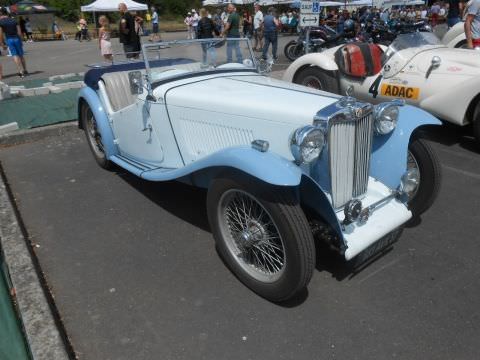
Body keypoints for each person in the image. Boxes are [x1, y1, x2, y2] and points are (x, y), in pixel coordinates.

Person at [0, 7, 28, 77]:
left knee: (15, 55)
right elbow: (19, 32)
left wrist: (2, 44)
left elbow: (0, 34)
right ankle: (25, 70)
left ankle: (20, 71)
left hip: (9, 39)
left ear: (1, 13)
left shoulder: (1, 22)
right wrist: (21, 40)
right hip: (17, 38)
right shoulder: (14, 20)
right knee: (21, 55)